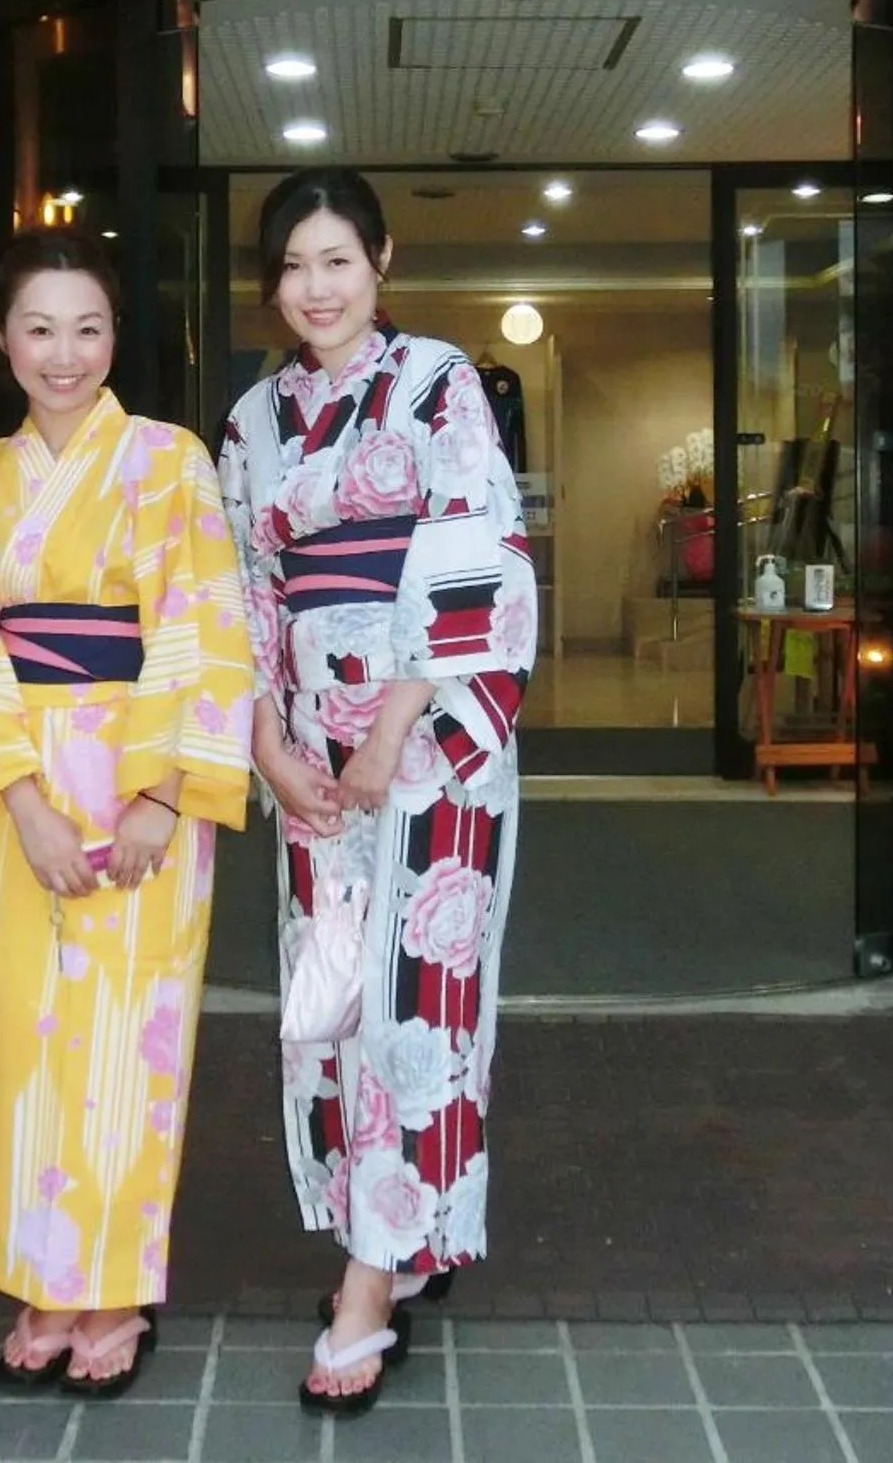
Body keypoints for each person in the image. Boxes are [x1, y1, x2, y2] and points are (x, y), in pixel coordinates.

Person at [215, 168, 538, 1417]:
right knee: (333, 998)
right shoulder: (250, 423)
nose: (316, 287)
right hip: (306, 753)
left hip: (428, 747)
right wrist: (265, 743)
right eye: (294, 265)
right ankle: (389, 1236)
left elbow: (472, 550)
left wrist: (390, 727)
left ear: (382, 260)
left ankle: (367, 1283)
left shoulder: (440, 384)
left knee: (416, 1002)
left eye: (337, 259)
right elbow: (242, 589)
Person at [0, 228, 253, 1399]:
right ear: (1, 341)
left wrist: (163, 790)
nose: (64, 354)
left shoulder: (169, 462)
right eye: (39, 328)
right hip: (13, 794)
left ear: (118, 337)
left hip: (140, 782)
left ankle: (111, 1285)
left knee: (124, 1043)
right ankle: (39, 1282)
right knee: (7, 1038)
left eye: (89, 328)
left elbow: (208, 624)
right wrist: (21, 801)